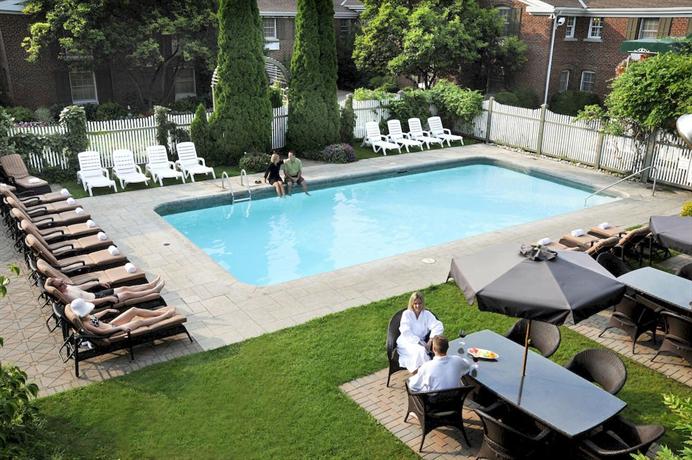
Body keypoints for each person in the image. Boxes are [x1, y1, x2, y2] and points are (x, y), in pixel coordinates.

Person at [69, 298, 176, 336]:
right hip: (113, 332)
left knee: (133, 310)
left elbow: (94, 317)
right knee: (139, 322)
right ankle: (166, 315)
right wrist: (121, 327)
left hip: (111, 325)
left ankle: (159, 313)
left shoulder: (85, 316)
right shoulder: (86, 324)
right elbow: (102, 332)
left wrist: (106, 310)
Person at [396, 291, 444, 373]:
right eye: (415, 303)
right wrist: (419, 343)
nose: (417, 306)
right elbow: (405, 331)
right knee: (420, 351)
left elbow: (438, 326)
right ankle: (426, 373)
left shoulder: (427, 314)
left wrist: (430, 340)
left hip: (422, 342)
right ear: (412, 303)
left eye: (420, 303)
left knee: (421, 351)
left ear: (423, 303)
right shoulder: (406, 314)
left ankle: (423, 374)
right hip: (406, 341)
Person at [45, 276, 164, 307]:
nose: (64, 284)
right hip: (97, 303)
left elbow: (81, 287)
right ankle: (154, 291)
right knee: (127, 294)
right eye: (61, 285)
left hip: (96, 295)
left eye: (62, 281)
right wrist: (107, 298)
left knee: (124, 288)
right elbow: (87, 303)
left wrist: (97, 283)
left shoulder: (66, 287)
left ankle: (150, 285)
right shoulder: (67, 297)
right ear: (57, 289)